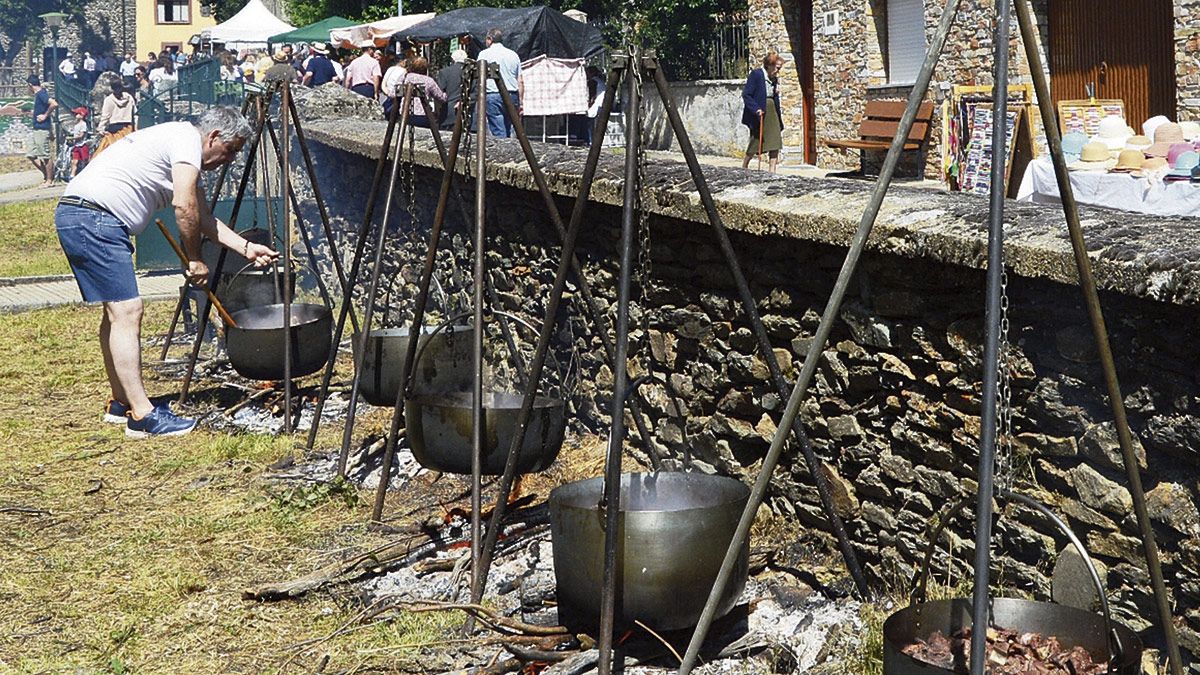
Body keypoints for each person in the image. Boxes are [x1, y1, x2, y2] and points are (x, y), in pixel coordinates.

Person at [55, 107, 279, 438]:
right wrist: (194, 259)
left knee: (116, 314)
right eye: (230, 150)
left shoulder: (181, 147)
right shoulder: (186, 140)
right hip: (94, 219)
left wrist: (246, 249)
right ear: (214, 136)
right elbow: (184, 208)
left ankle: (120, 403)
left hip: (84, 216)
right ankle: (142, 417)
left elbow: (204, 218)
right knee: (128, 311)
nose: (229, 159)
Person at [741, 52, 785, 172]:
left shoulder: (773, 78)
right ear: (769, 65)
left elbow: (772, 95)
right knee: (756, 142)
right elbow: (746, 94)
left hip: (772, 111)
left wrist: (775, 91)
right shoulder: (756, 74)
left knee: (775, 140)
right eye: (777, 68)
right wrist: (756, 109)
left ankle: (772, 170)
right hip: (760, 111)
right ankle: (744, 166)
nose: (778, 71)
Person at [476, 28, 522, 138]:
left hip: (493, 94)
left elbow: (479, 78)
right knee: (510, 127)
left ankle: (503, 152)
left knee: (498, 130)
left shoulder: (484, 55)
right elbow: (520, 80)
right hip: (512, 94)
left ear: (489, 39)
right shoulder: (513, 55)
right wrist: (521, 102)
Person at [26, 75, 57, 187]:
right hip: (36, 128)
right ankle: (47, 175)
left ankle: (50, 180)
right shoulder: (38, 95)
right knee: (31, 154)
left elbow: (54, 104)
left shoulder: (41, 94)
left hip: (42, 128)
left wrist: (45, 115)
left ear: (30, 85)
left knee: (45, 155)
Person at [397, 57, 446, 128]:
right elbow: (441, 97)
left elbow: (393, 93)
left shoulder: (404, 77)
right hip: (423, 115)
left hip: (404, 114)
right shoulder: (428, 80)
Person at [435, 48, 468, 130]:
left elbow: (439, 92)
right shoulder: (470, 71)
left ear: (453, 60)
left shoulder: (445, 72)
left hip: (449, 112)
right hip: (468, 112)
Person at [98, 81, 136, 151]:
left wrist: (101, 129)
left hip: (114, 130)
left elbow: (105, 116)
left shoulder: (108, 100)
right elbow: (135, 113)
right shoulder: (129, 97)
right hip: (128, 128)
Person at [68, 107, 90, 177]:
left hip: (82, 145)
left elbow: (81, 135)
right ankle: (72, 176)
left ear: (82, 115)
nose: (75, 115)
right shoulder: (76, 125)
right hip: (76, 145)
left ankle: (87, 174)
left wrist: (72, 138)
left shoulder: (83, 124)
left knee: (85, 161)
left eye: (77, 114)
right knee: (74, 161)